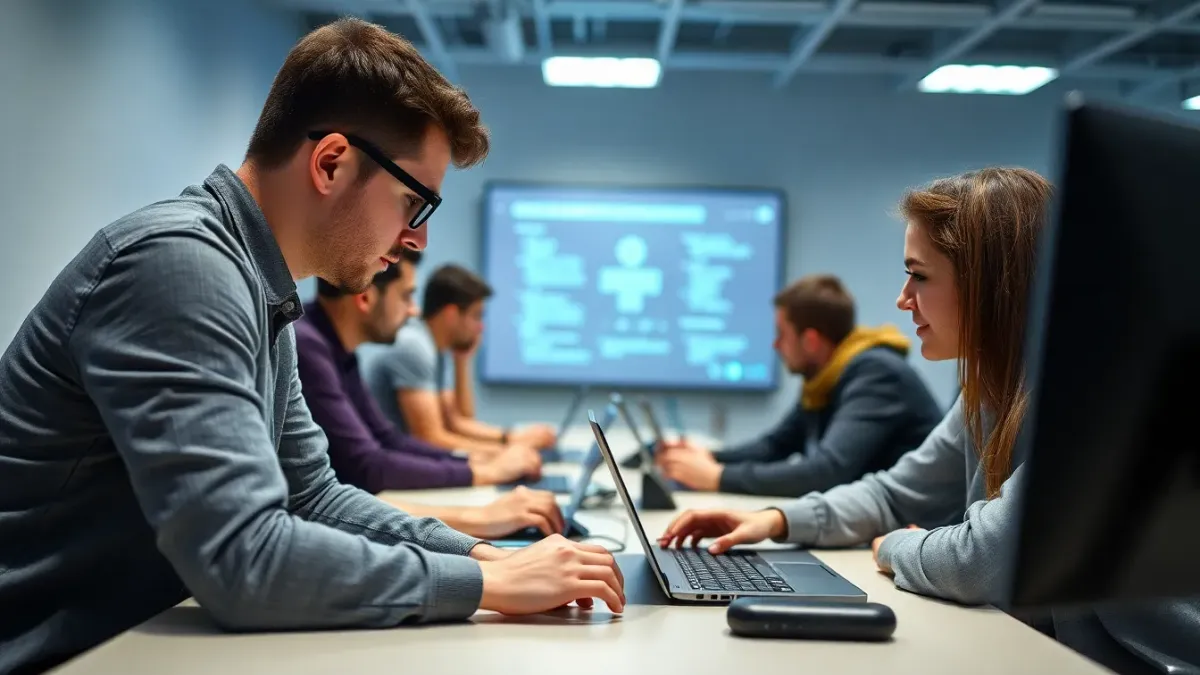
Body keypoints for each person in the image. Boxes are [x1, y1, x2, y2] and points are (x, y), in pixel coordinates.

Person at [0, 19, 623, 675]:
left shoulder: (258, 287)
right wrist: (489, 589)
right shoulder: (181, 269)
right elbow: (243, 560)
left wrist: (477, 556)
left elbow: (314, 497)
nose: (417, 241)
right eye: (414, 203)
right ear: (331, 162)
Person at [659, 167, 1199, 675]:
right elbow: (895, 494)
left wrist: (893, 547)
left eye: (918, 276)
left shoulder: (1094, 391)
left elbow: (978, 560)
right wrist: (776, 521)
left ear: (992, 287)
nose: (901, 300)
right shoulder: (988, 387)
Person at [296, 249, 565, 539]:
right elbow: (368, 466)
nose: (414, 311)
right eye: (406, 297)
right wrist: (483, 474)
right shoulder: (310, 347)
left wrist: (474, 464)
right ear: (365, 298)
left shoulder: (337, 350)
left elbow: (388, 439)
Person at [655, 274, 943, 497]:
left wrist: (717, 477)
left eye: (782, 334)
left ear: (811, 341)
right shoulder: (824, 379)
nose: (775, 344)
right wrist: (709, 458)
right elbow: (776, 445)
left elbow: (828, 471)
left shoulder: (877, 373)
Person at [365, 264, 555, 455]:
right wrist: (507, 450)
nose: (480, 327)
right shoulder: (415, 346)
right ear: (451, 314)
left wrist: (462, 361)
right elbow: (430, 439)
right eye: (476, 316)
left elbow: (458, 420)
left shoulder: (435, 348)